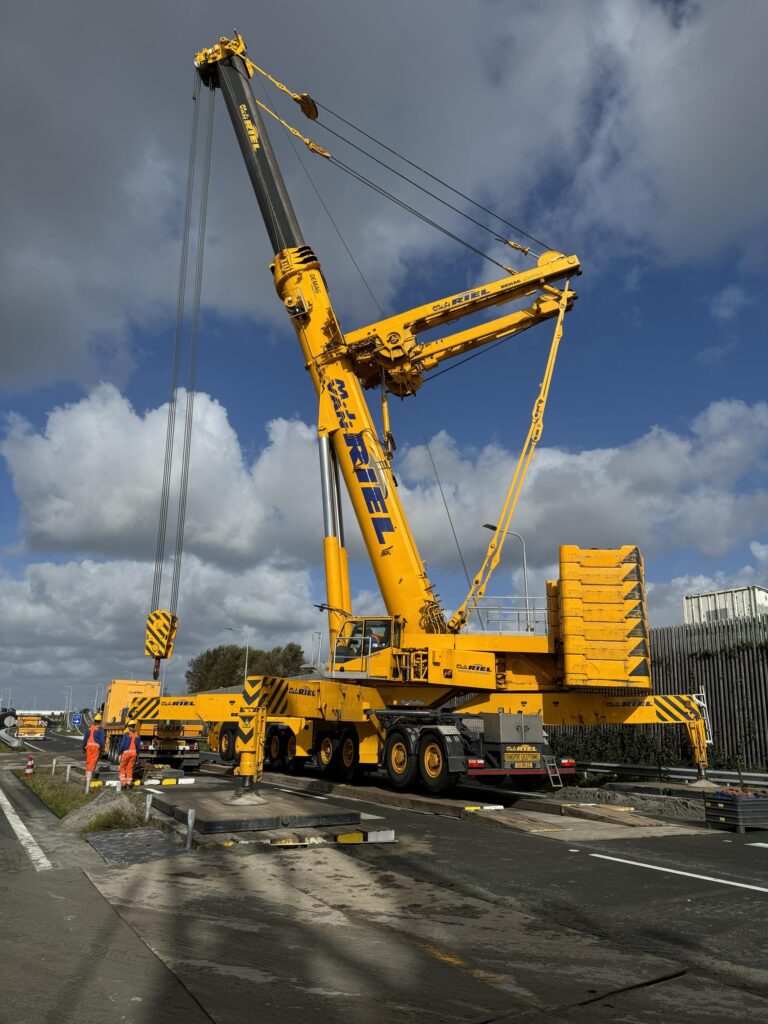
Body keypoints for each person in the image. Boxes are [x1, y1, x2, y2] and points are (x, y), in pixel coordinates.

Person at [118, 719, 141, 788]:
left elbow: (122, 745)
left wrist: (120, 752)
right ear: (134, 726)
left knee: (122, 767)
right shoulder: (138, 736)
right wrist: (137, 755)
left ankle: (123, 783)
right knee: (130, 768)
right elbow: (138, 747)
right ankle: (129, 783)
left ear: (129, 727)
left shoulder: (126, 735)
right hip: (134, 754)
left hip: (126, 753)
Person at [82, 713, 106, 780]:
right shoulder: (100, 729)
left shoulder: (89, 728)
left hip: (88, 747)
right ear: (100, 721)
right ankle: (89, 777)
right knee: (93, 762)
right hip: (95, 748)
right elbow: (102, 741)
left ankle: (86, 777)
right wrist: (102, 748)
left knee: (88, 762)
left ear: (94, 720)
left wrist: (84, 747)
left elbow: (85, 739)